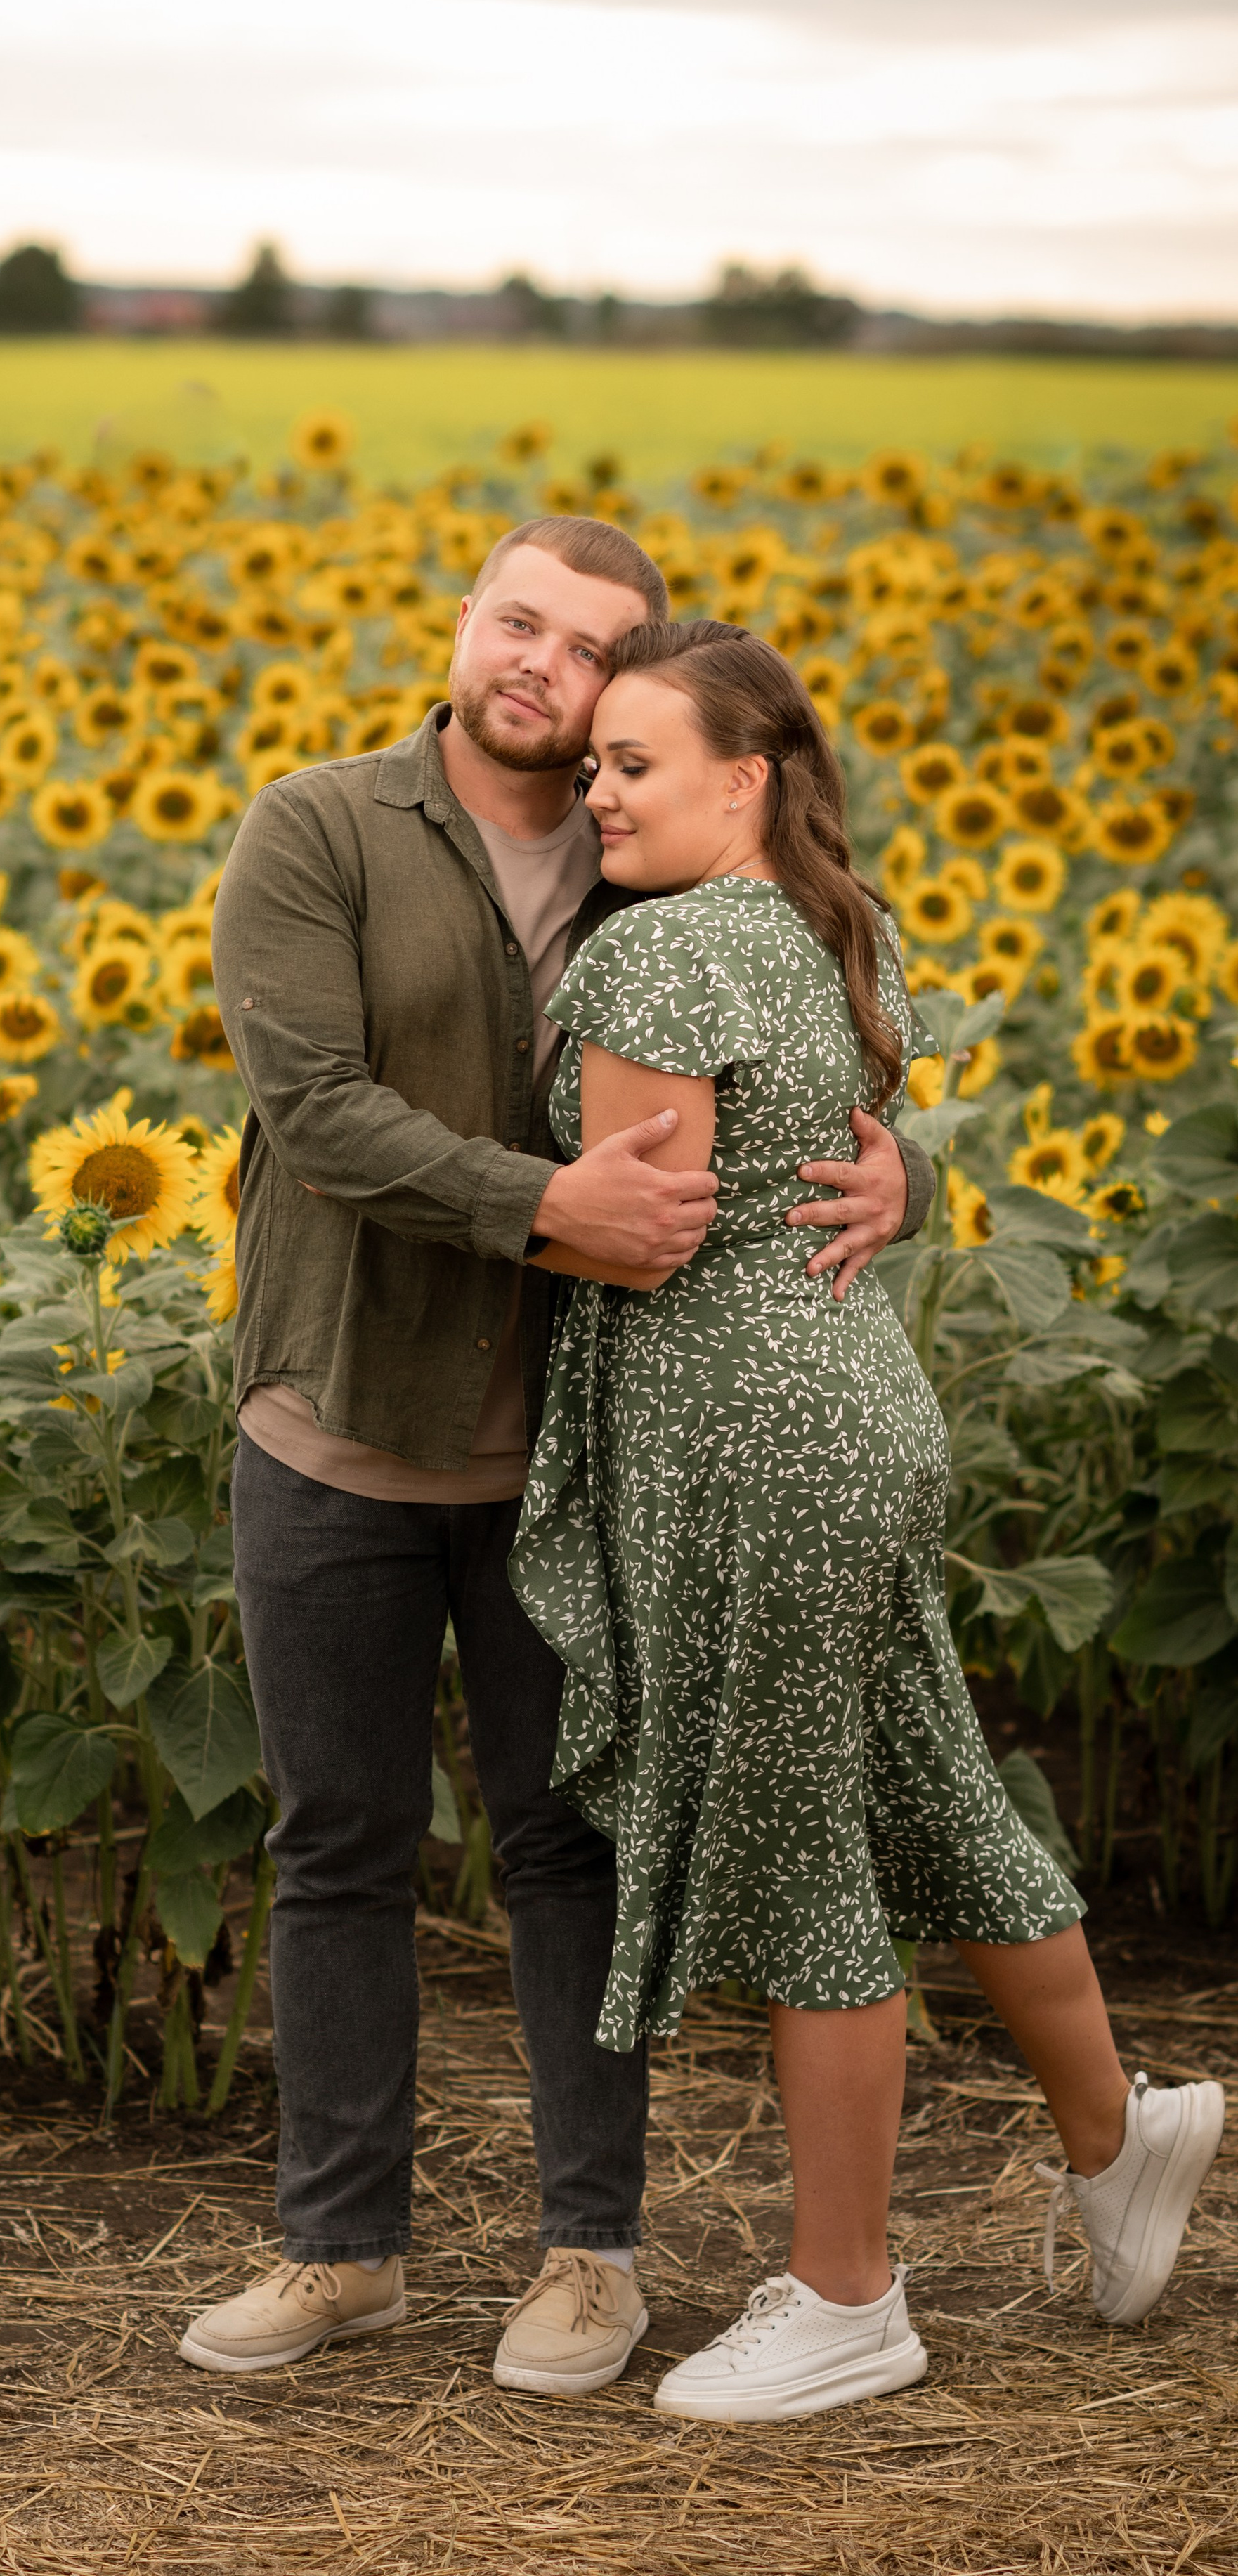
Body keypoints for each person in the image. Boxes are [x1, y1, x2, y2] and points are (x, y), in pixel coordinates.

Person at [181, 520, 937, 2393]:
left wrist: (907, 1178)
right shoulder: (320, 830)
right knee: (338, 1844)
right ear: (465, 623)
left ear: (633, 688)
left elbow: (806, 1067)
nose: (541, 665)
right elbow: (316, 1108)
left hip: (573, 1457)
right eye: (517, 621)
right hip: (335, 1422)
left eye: (590, 648)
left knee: (563, 1842)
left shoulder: (652, 848)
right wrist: (544, 1208)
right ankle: (341, 2249)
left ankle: (590, 2256)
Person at [509, 616, 1227, 2422]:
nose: (598, 796)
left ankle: (846, 2296)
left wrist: (482, 1211)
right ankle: (1117, 2133)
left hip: (747, 1446)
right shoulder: (839, 928)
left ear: (742, 779)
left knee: (799, 1852)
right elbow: (821, 1151)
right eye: (591, 767)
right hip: (851, 1409)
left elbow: (638, 1232)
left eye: (634, 764)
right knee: (930, 1789)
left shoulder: (655, 952)